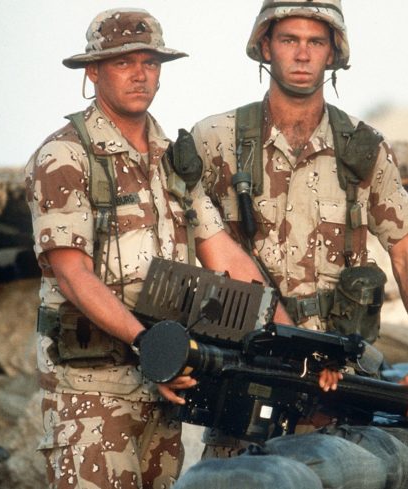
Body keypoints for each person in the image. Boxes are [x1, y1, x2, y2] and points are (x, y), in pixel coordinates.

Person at [189, 0, 408, 484]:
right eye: (289, 40)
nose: (302, 54)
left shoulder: (362, 148)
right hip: (243, 370)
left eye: (316, 42)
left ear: (333, 54)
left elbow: (406, 251)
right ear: (266, 46)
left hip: (336, 383)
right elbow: (183, 245)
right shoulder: (216, 139)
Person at [24, 8, 284, 488]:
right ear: (93, 72)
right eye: (124, 63)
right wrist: (151, 347)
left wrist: (290, 339)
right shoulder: (64, 156)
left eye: (150, 62)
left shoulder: (171, 158)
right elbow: (72, 274)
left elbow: (220, 249)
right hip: (92, 390)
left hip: (166, 381)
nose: (140, 74)